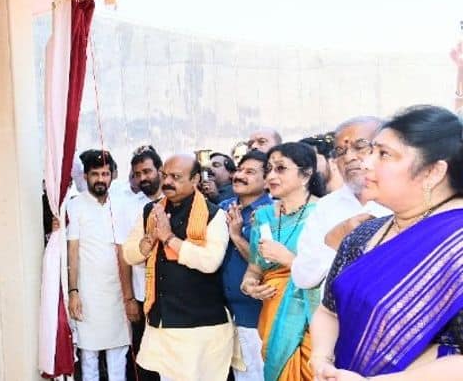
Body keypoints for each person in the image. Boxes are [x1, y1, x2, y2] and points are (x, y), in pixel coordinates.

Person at [311, 105, 463, 380]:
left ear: (433, 172)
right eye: (372, 150)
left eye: (384, 154)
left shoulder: (456, 243)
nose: (365, 162)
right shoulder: (364, 235)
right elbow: (328, 310)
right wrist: (321, 359)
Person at [123, 154, 233, 381]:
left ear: (194, 180)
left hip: (200, 324)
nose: (167, 182)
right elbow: (128, 253)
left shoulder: (214, 215)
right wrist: (149, 241)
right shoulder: (151, 211)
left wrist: (169, 238)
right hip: (162, 321)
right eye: (165, 175)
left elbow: (210, 262)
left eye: (176, 177)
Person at [240, 143, 325, 381]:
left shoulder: (323, 213)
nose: (272, 175)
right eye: (269, 169)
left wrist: (288, 259)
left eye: (281, 168)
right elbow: (255, 267)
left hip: (312, 319)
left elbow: (333, 271)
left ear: (306, 174)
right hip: (273, 315)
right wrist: (249, 285)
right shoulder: (264, 216)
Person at [291, 117, 390, 292]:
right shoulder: (326, 207)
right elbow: (302, 278)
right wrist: (336, 242)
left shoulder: (403, 200)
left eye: (360, 147)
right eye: (340, 151)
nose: (349, 157)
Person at [67, 149, 131, 381]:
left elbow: (126, 251)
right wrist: (73, 292)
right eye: (95, 174)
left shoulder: (122, 203)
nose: (100, 179)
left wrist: (129, 296)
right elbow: (72, 252)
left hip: (117, 293)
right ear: (85, 176)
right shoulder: (75, 206)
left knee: (118, 357)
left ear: (112, 175)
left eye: (105, 173)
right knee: (89, 358)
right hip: (88, 294)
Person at [219, 150, 272, 381]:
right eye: (239, 169)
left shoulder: (270, 213)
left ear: (267, 180)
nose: (240, 175)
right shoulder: (223, 207)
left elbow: (266, 262)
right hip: (224, 314)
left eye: (250, 172)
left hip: (254, 314)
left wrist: (236, 235)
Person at [125, 145, 163, 381]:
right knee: (147, 361)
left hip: (175, 297)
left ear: (160, 170)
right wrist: (129, 298)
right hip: (143, 295)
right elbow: (125, 256)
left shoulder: (178, 200)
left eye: (147, 171)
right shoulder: (130, 205)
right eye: (138, 174)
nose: (143, 178)